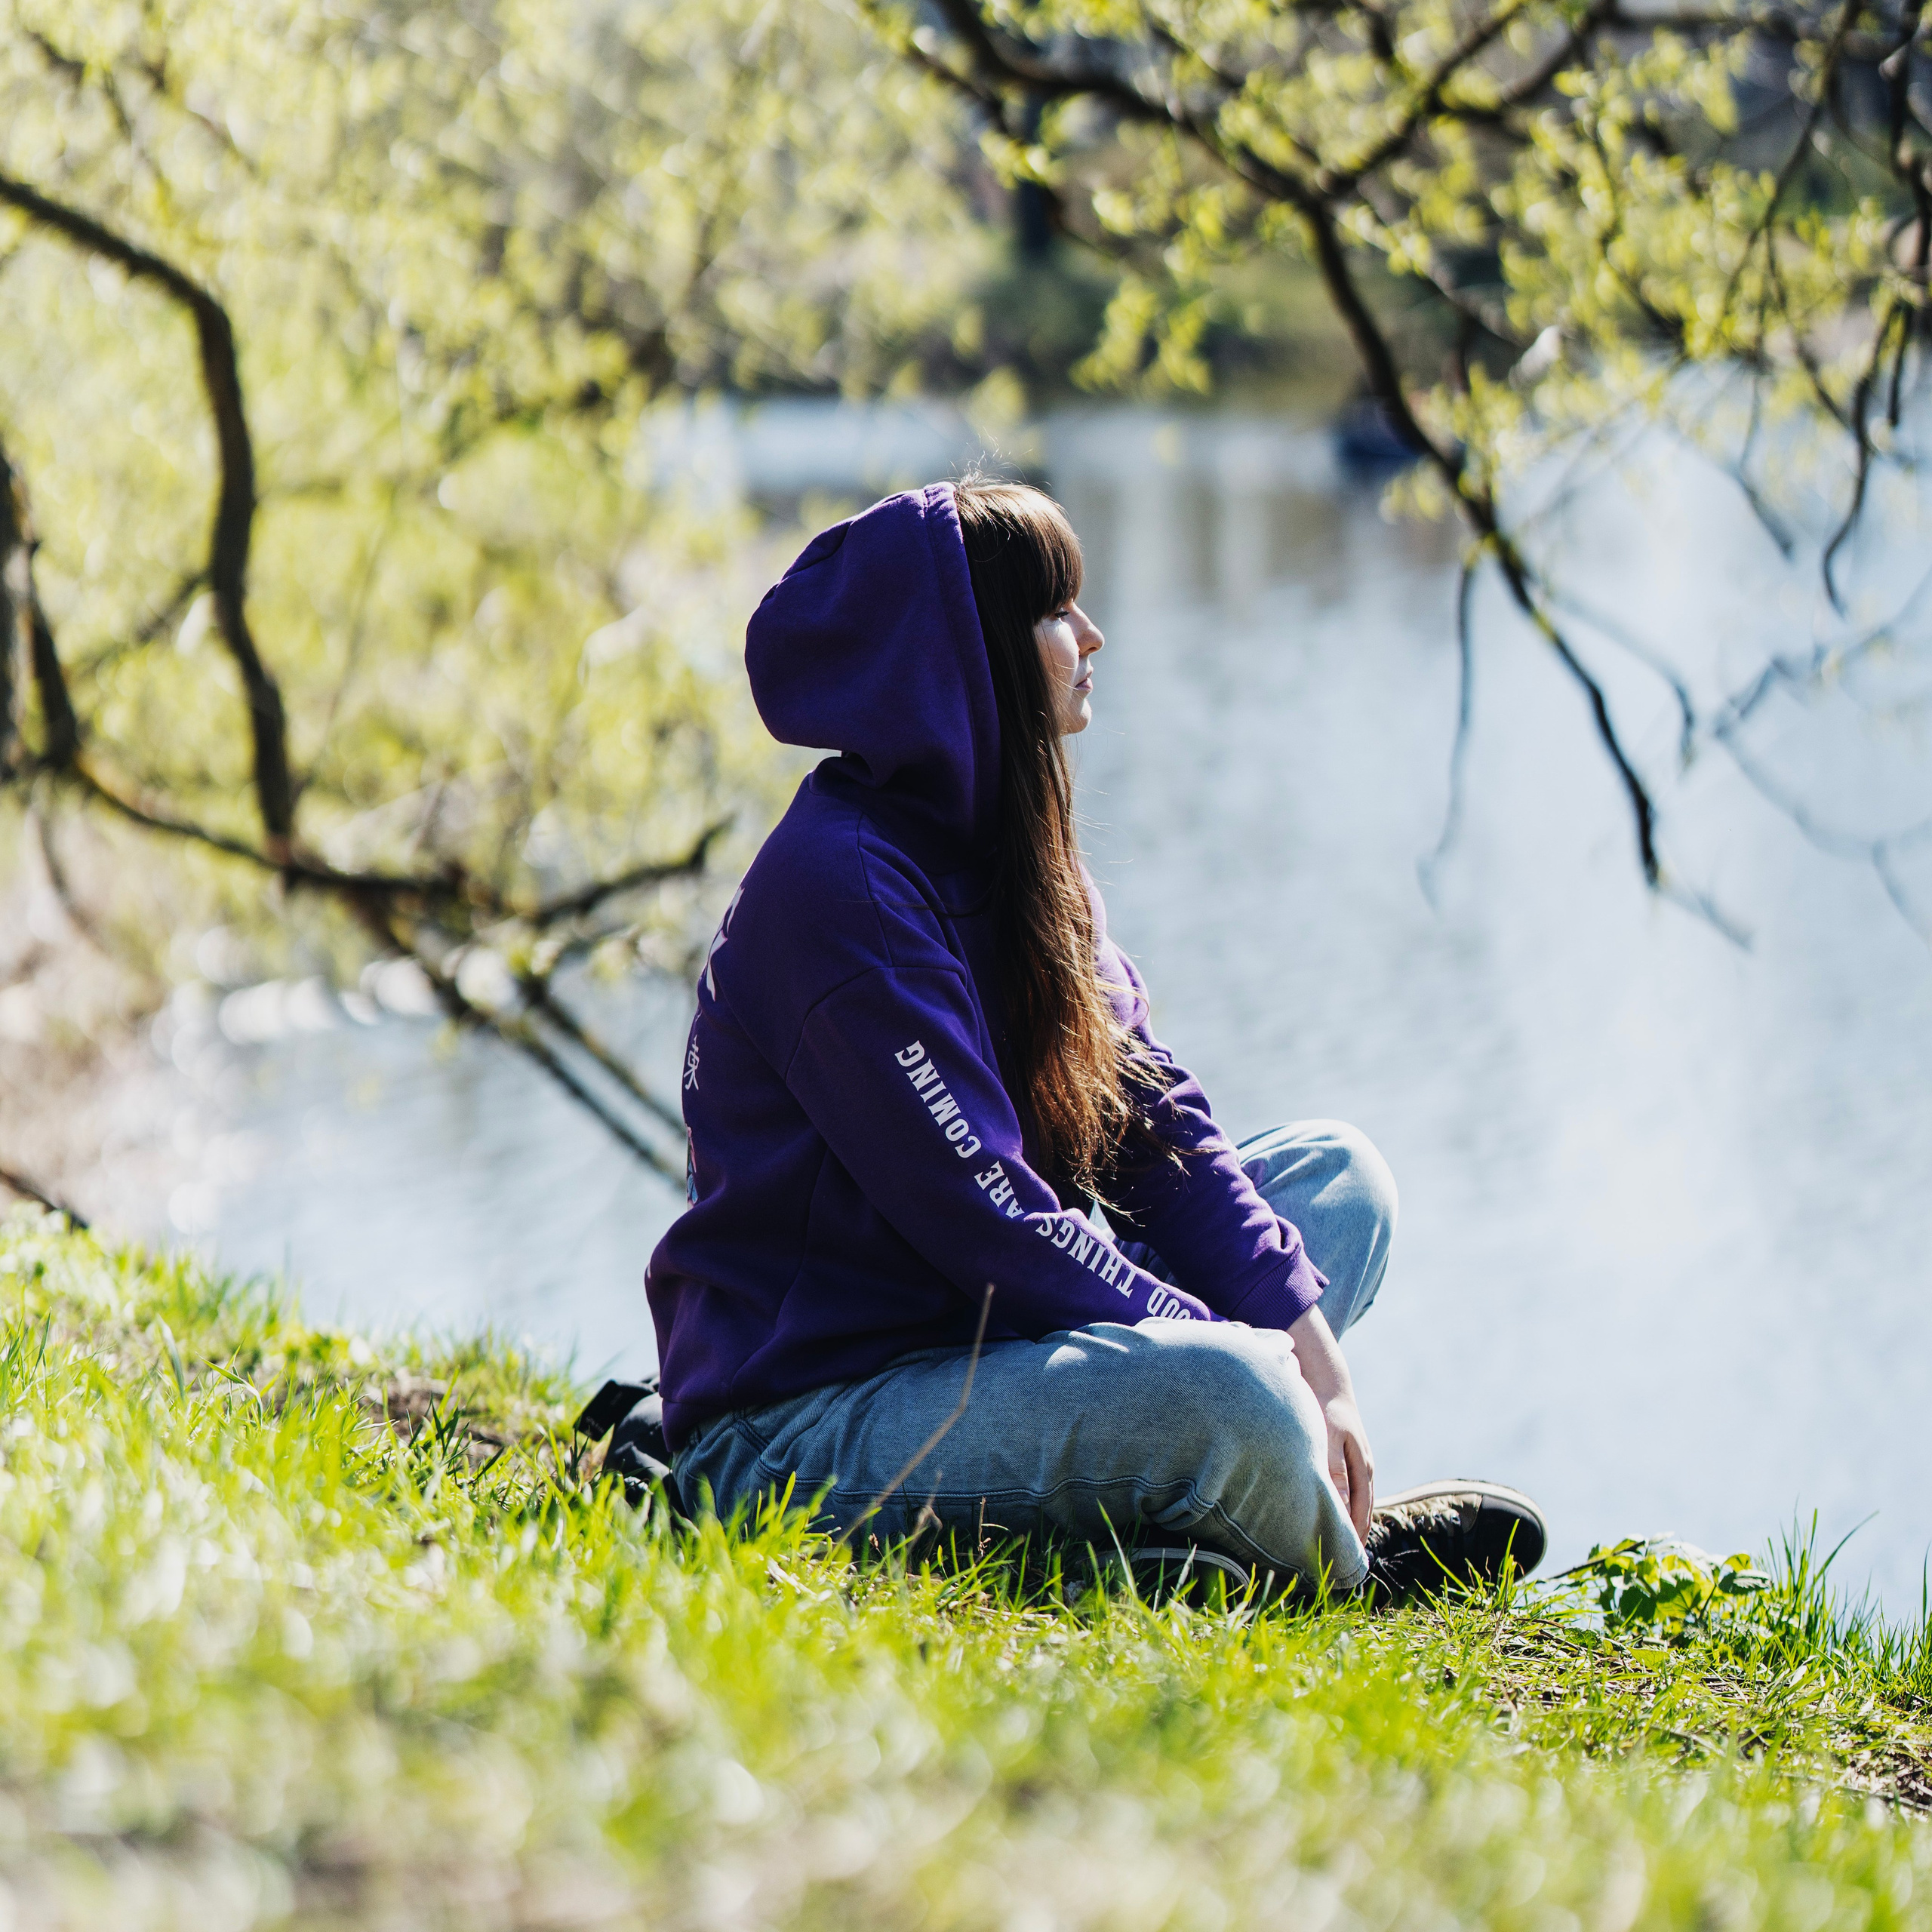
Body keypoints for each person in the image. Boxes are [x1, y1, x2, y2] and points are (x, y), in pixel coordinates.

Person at [643, 479, 1545, 1600]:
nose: (1092, 634)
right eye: (1055, 610)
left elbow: (1153, 1126)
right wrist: (1234, 1356)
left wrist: (1320, 1367)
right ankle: (1350, 1576)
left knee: (1338, 1180)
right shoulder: (843, 896)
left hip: (983, 1348)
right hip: (803, 1428)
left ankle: (1183, 1530)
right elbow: (995, 1227)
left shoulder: (1015, 855)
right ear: (963, 654)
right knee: (1231, 1390)